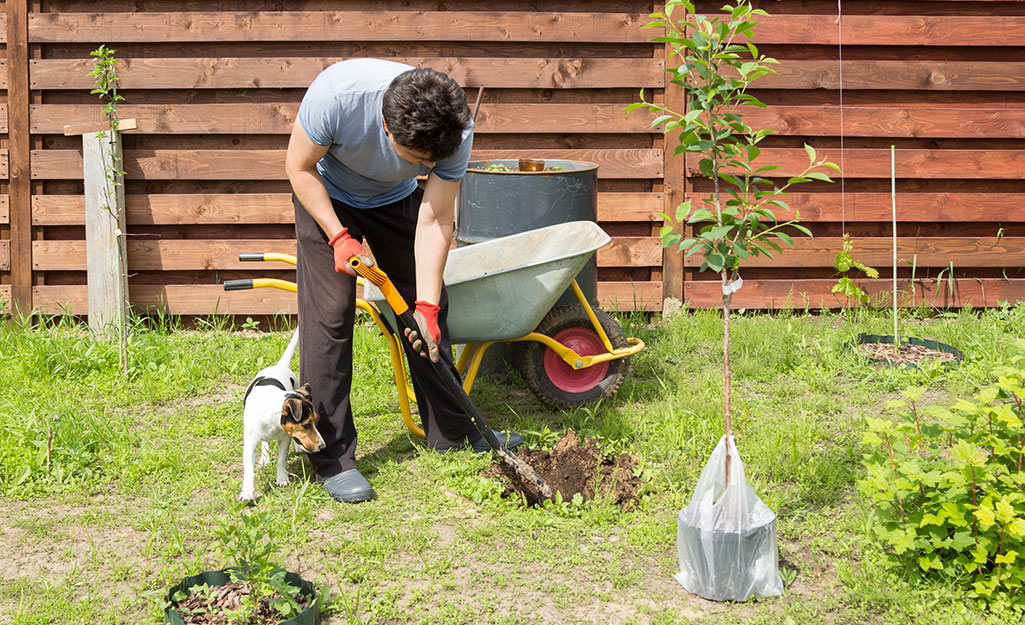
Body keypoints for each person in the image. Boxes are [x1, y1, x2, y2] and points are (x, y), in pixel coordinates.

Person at [285, 58, 523, 504]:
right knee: (331, 318)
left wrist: (427, 308)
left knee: (426, 307)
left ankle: (452, 431)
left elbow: (434, 219)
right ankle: (331, 458)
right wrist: (338, 235)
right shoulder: (337, 97)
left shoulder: (455, 128)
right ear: (386, 129)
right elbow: (298, 167)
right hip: (327, 198)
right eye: (416, 160)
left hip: (395, 201)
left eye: (431, 161)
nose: (426, 165)